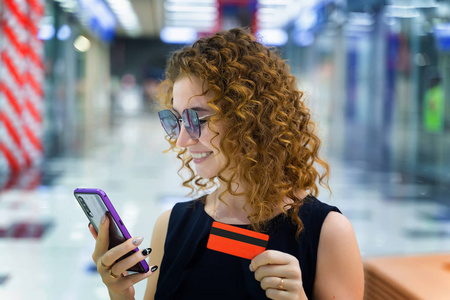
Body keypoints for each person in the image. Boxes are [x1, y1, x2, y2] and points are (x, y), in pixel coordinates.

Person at [89, 27, 364, 300]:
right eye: (178, 120)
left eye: (199, 119)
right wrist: (121, 293)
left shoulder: (327, 234)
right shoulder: (172, 225)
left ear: (251, 118)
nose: (182, 140)